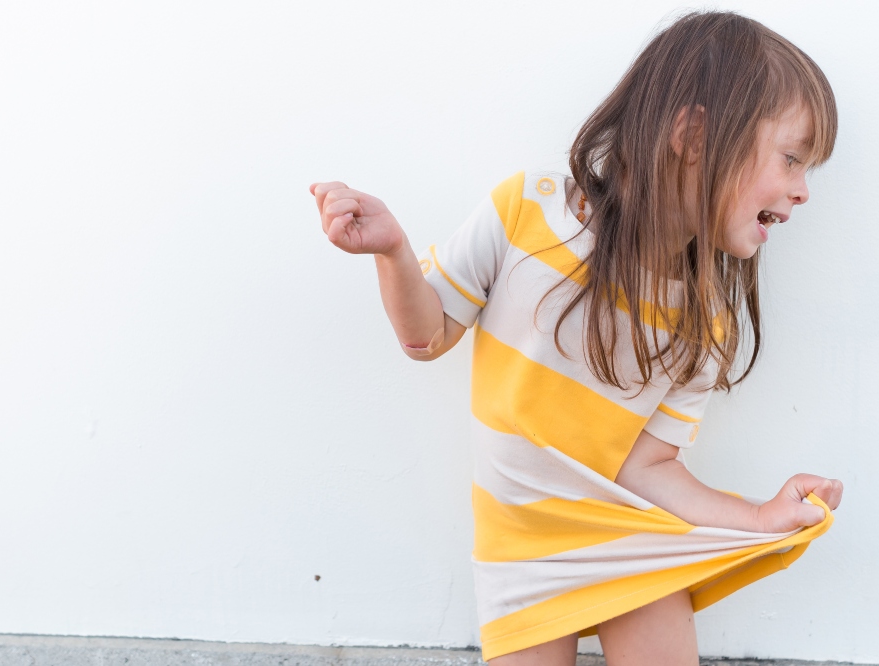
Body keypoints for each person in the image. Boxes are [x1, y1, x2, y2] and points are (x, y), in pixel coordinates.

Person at [310, 11, 844, 666]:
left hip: (626, 541)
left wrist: (761, 517)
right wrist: (392, 252)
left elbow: (647, 469)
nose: (803, 191)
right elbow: (426, 337)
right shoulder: (526, 213)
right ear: (694, 136)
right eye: (792, 159)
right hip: (519, 558)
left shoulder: (704, 322)